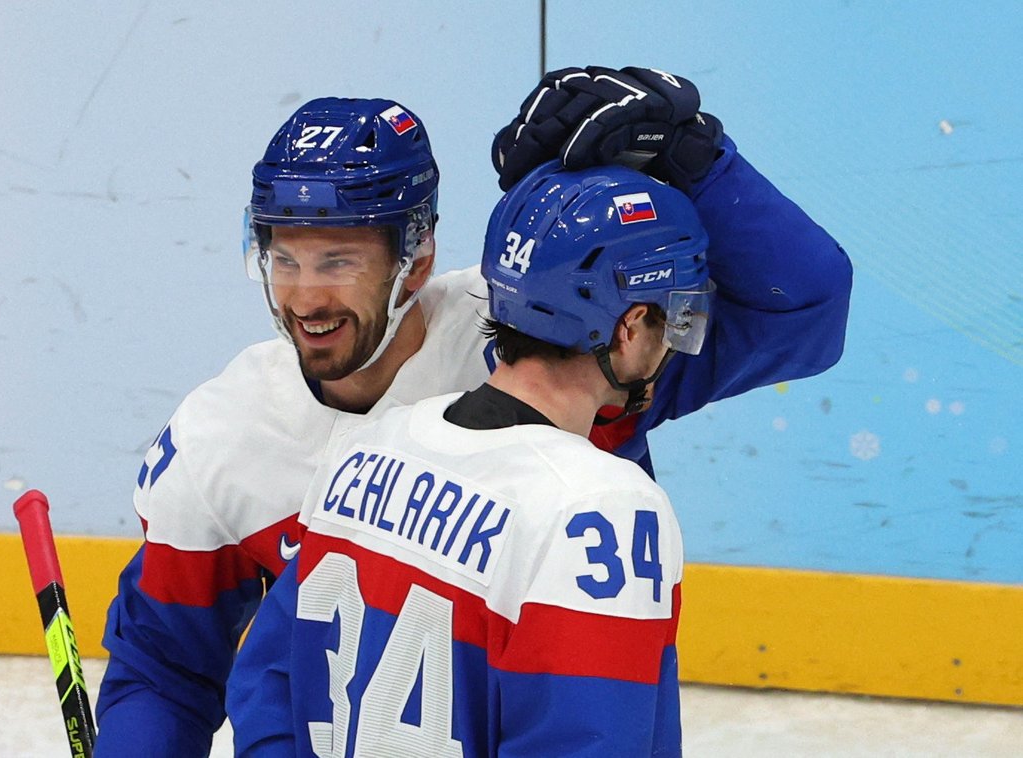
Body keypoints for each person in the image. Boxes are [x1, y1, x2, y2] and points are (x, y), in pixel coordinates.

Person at [96, 67, 852, 756]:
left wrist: (701, 163)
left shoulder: (539, 332)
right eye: (286, 259)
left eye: (339, 261)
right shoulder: (221, 435)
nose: (305, 296)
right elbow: (164, 668)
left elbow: (805, 312)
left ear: (415, 259)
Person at [227, 162, 707, 756]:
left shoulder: (367, 451)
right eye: (671, 319)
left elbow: (266, 680)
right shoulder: (601, 507)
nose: (674, 344)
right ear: (630, 327)